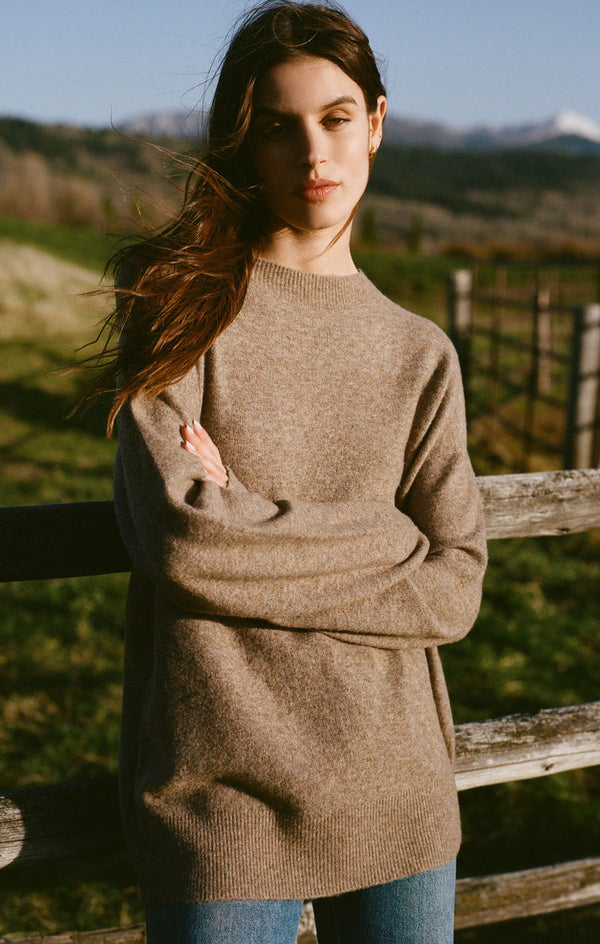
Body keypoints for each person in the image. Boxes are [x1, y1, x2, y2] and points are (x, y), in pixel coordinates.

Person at [95, 2, 488, 941]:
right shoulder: (179, 314)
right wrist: (389, 536)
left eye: (336, 117)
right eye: (278, 126)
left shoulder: (418, 352)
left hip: (399, 792)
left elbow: (456, 588)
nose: (312, 151)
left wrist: (252, 517)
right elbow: (189, 540)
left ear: (377, 125)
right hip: (220, 795)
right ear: (245, 141)